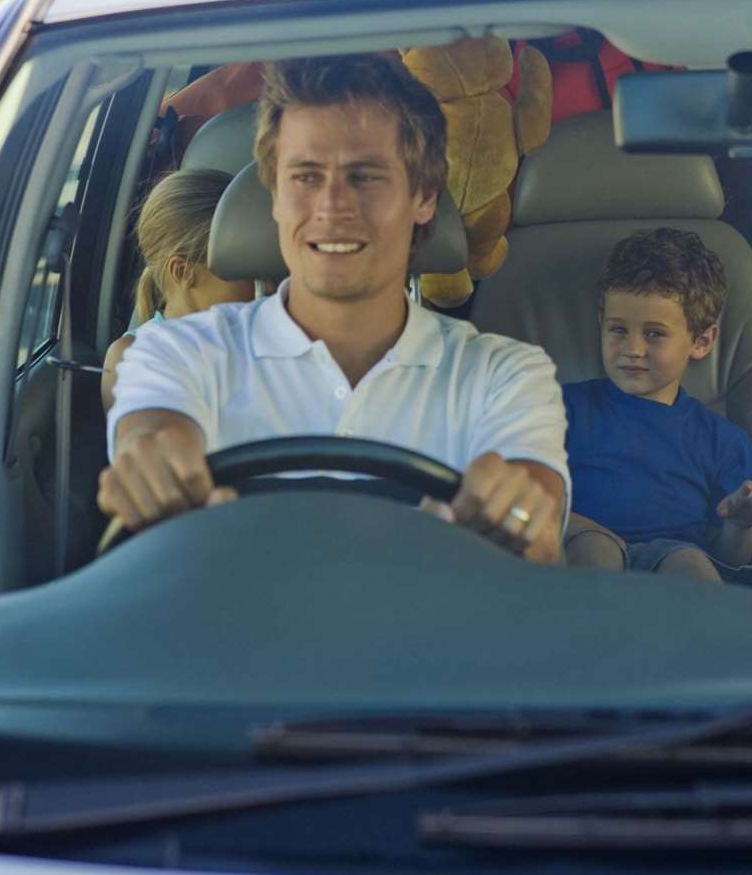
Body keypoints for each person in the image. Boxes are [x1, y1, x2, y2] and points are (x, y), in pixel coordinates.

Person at [99, 54, 569, 563]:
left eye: (365, 176)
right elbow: (151, 429)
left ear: (425, 197)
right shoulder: (174, 353)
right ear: (274, 196)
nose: (332, 207)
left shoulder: (506, 375)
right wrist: (156, 465)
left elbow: (536, 512)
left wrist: (517, 514)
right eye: (305, 176)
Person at [560, 229, 752, 580]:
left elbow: (732, 560)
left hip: (677, 559)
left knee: (689, 565)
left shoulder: (723, 441)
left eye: (654, 334)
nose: (633, 349)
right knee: (594, 551)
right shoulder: (561, 409)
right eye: (618, 330)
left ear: (702, 340)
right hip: (579, 553)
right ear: (601, 325)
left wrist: (739, 524)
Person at [100, 168, 254, 411]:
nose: (264, 284)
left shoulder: (265, 333)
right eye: (243, 270)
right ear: (183, 271)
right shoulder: (131, 358)